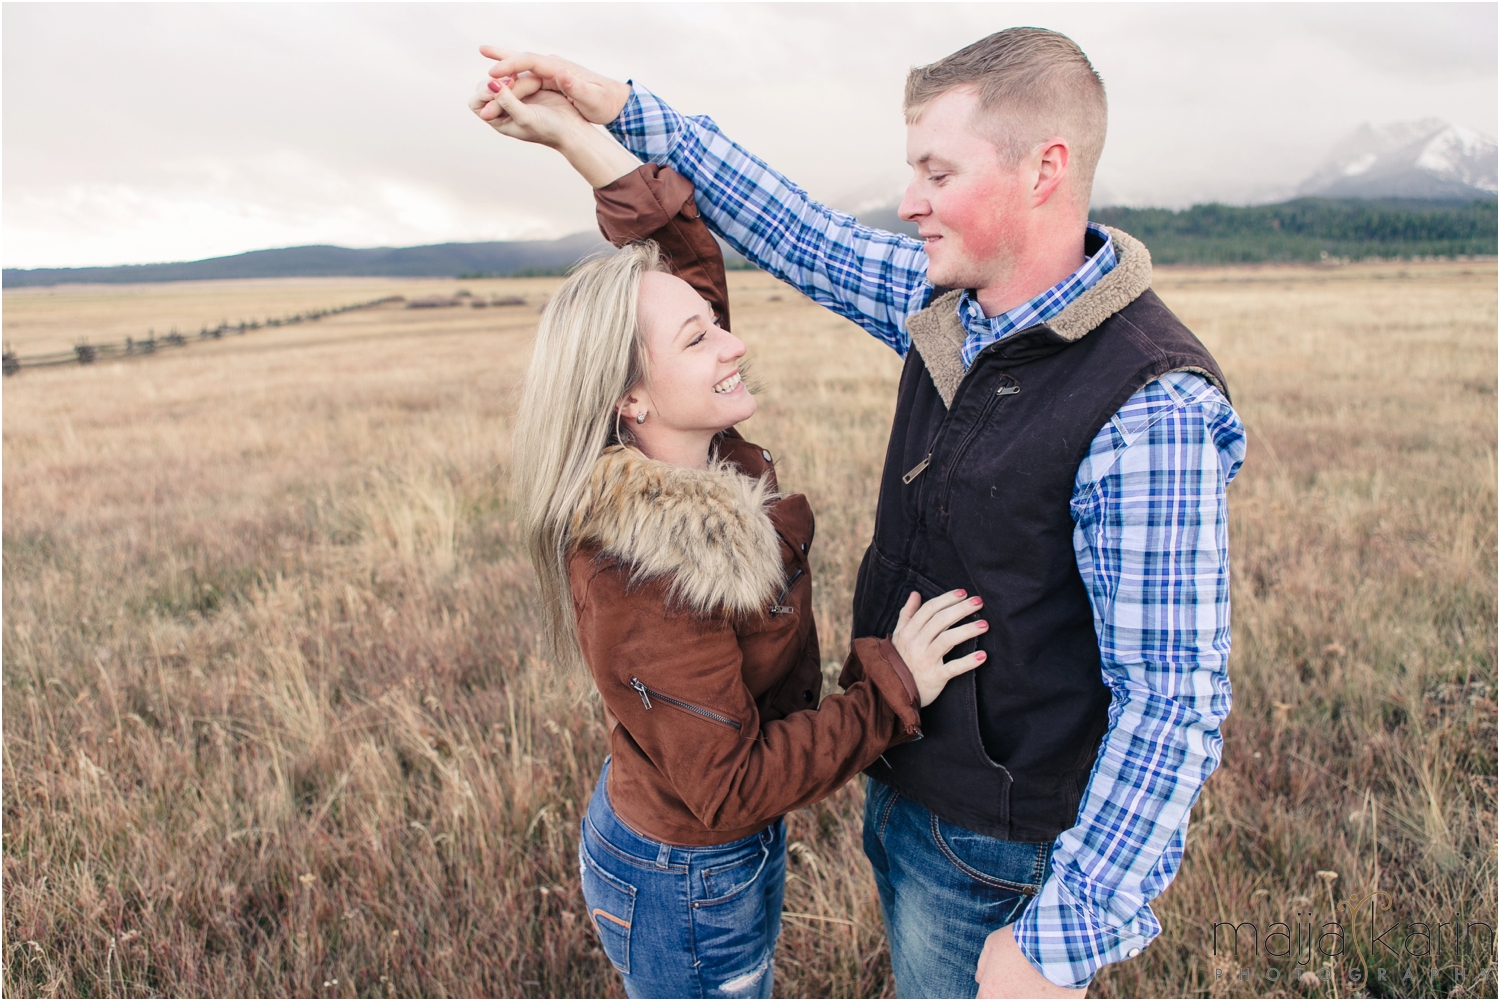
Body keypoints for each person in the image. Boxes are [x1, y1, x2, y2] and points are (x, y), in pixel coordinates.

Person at [477, 26, 1246, 1000]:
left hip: (991, 847)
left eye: (936, 170)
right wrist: (616, 108)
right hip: (903, 796)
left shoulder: (1150, 407)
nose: (907, 201)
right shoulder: (949, 307)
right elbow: (795, 231)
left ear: (1045, 169)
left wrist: (1060, 941)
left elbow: (1172, 701)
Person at [472, 80, 989, 999]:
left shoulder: (692, 443)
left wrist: (566, 133)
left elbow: (684, 251)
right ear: (629, 398)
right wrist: (894, 688)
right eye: (700, 337)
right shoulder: (644, 569)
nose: (732, 344)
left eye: (716, 324)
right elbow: (732, 783)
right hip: (687, 881)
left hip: (688, 855)